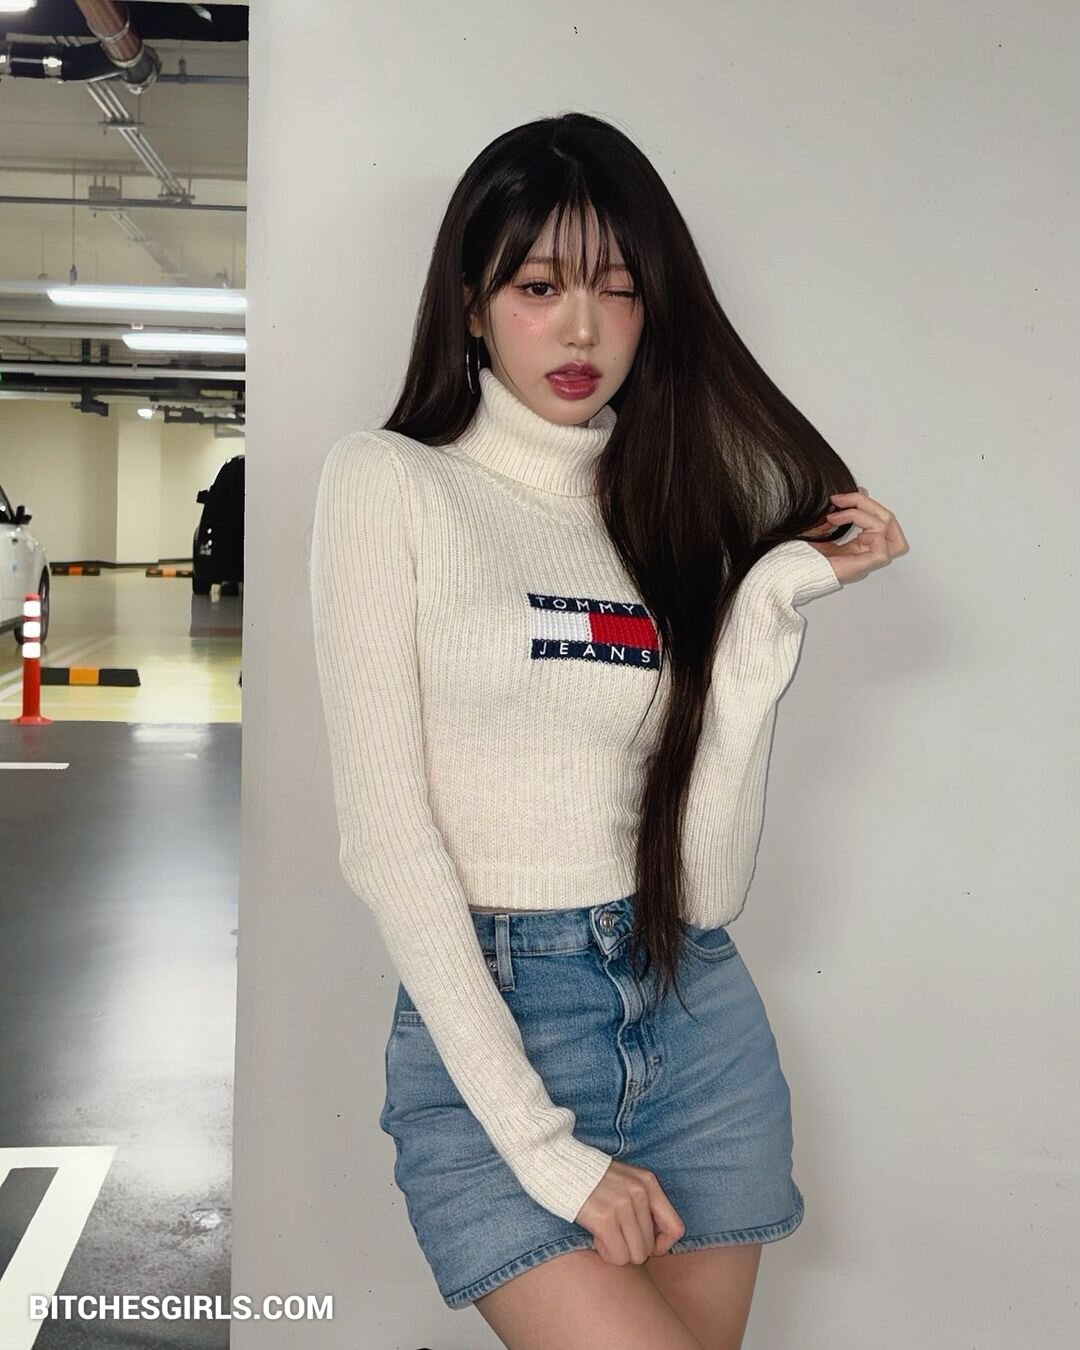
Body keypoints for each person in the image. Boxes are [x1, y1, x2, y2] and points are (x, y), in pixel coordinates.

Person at [309, 112, 907, 1350]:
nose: (582, 331)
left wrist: (763, 609)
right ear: (472, 304)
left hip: (693, 1020)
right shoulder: (390, 482)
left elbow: (707, 887)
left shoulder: (668, 517)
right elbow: (388, 844)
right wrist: (545, 1150)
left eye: (619, 291)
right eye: (539, 288)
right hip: (500, 1030)